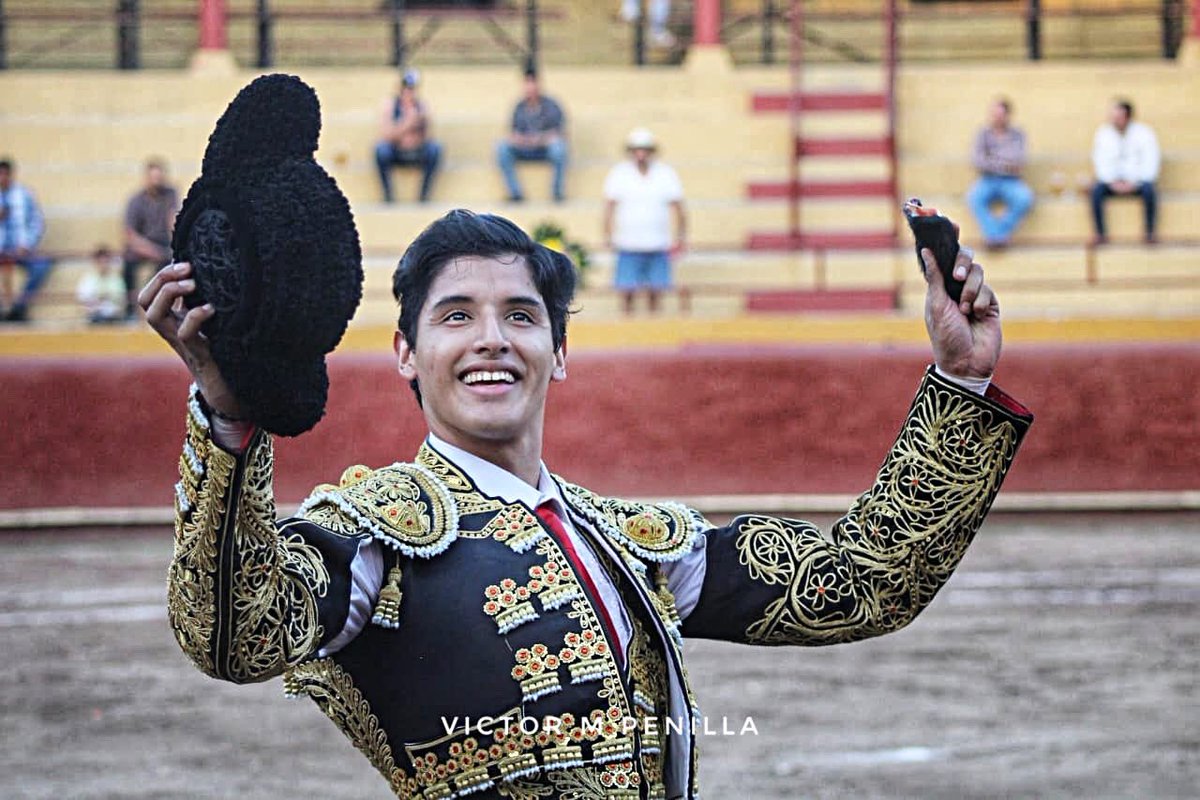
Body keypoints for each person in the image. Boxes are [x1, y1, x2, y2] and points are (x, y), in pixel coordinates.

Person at [146, 207, 1031, 798]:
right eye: (455, 316)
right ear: (406, 354)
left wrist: (961, 378)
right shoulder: (376, 537)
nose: (492, 339)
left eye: (520, 316)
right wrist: (228, 419)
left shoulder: (627, 542)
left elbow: (862, 585)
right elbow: (234, 637)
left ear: (558, 352)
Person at [603, 127, 686, 314]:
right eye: (636, 149)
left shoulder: (666, 173)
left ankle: (654, 329)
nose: (640, 154)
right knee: (626, 292)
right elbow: (609, 208)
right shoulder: (619, 173)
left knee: (657, 291)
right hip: (628, 243)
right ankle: (627, 328)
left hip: (658, 243)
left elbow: (679, 208)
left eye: (644, 149)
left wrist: (680, 236)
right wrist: (608, 234)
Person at [966, 98, 1034, 250]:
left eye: (1000, 114)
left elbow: (1019, 160)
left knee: (1025, 198)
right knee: (974, 197)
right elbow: (977, 160)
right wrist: (1004, 163)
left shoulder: (1018, 134)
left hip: (1011, 181)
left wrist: (992, 160)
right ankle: (996, 236)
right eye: (994, 114)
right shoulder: (983, 134)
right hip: (987, 179)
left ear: (1007, 115)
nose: (996, 118)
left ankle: (997, 235)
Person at [1090, 99, 1160, 245]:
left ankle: (1149, 233)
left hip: (1137, 182)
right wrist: (1111, 181)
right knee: (1096, 191)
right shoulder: (1103, 134)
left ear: (1128, 117)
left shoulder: (1144, 133)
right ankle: (1101, 234)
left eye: (1118, 117)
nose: (1114, 120)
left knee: (1150, 190)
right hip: (1112, 182)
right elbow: (1099, 161)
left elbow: (1151, 161)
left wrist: (1134, 182)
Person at [496, 67, 567, 203]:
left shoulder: (551, 106)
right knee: (502, 148)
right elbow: (514, 133)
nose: (530, 89)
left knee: (559, 148)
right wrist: (525, 140)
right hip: (524, 148)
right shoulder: (519, 107)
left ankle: (557, 192)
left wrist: (539, 139)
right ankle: (515, 192)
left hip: (545, 149)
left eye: (532, 84)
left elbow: (558, 133)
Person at [374, 69, 443, 204]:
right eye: (406, 88)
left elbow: (429, 138)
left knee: (435, 149)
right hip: (397, 152)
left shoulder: (422, 106)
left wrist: (423, 124)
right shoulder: (390, 105)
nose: (408, 92)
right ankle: (388, 195)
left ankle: (423, 196)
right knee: (381, 150)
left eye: (412, 89)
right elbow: (386, 135)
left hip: (416, 151)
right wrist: (407, 124)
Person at [122, 158, 179, 318]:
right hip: (143, 244)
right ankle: (130, 310)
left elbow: (172, 220)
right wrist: (153, 251)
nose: (156, 182)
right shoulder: (136, 201)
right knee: (128, 267)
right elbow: (130, 235)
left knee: (169, 265)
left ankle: (162, 309)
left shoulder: (170, 195)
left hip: (164, 243)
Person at [0, 158, 52, 323]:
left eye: (4, 174)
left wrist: (26, 244)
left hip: (19, 250)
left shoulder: (24, 195)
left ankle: (18, 308)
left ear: (11, 175)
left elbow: (38, 222)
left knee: (41, 266)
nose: (2, 178)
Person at [76, 245, 127, 324]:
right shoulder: (88, 279)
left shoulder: (117, 279)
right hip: (94, 316)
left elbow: (121, 300)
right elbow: (83, 299)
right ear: (95, 262)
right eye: (100, 261)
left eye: (106, 261)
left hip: (113, 317)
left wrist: (103, 299)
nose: (103, 264)